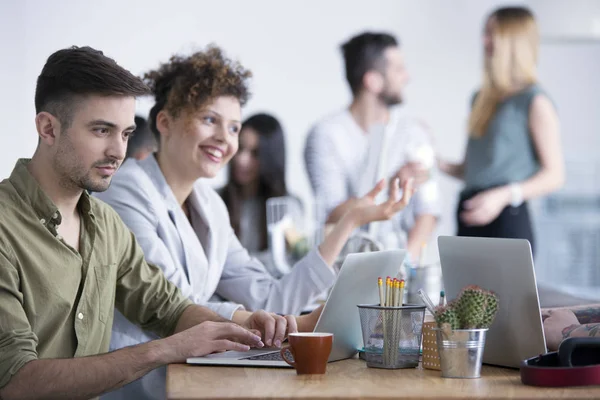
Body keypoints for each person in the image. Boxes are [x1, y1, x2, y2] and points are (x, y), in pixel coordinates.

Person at [94, 46, 414, 399]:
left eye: (233, 127)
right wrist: (271, 322)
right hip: (137, 382)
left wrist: (348, 222)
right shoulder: (127, 189)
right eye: (209, 120)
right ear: (165, 122)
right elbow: (170, 305)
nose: (225, 139)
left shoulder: (210, 206)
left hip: (196, 372)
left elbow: (269, 295)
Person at [0, 45, 299, 400]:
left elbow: (169, 308)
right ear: (48, 128)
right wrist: (164, 349)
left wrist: (241, 327)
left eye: (125, 134)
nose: (118, 152)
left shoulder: (105, 225)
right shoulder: (7, 226)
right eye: (101, 131)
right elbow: (15, 381)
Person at [438, 6, 565, 254]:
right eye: (484, 33)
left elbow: (555, 175)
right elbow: (473, 169)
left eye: (492, 34)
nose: (484, 41)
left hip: (506, 218)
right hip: (469, 215)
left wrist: (503, 196)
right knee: (462, 292)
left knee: (508, 294)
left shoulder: (535, 101)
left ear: (514, 42)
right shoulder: (480, 99)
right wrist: (434, 162)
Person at [304, 31, 440, 262]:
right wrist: (392, 185)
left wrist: (404, 262)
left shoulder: (414, 132)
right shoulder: (326, 135)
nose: (406, 77)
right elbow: (332, 214)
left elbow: (428, 211)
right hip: (343, 265)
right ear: (373, 81)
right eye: (398, 69)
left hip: (402, 268)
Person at [220, 113, 292, 254]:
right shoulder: (212, 201)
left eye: (255, 153)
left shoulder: (289, 208)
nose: (242, 160)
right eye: (240, 148)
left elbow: (293, 260)